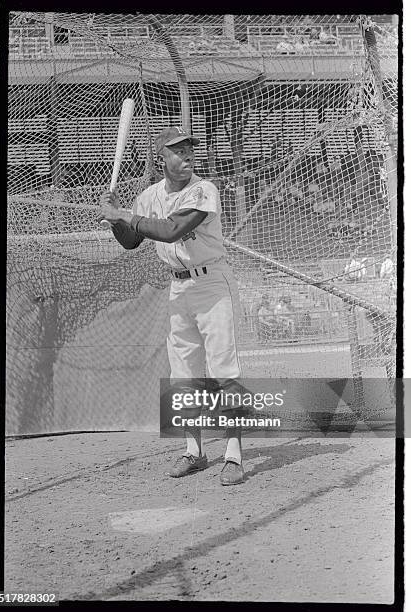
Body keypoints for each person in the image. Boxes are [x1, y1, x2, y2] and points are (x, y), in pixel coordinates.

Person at [99, 126, 245, 486]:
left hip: (213, 285)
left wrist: (123, 215)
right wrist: (114, 218)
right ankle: (194, 452)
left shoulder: (203, 189)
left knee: (224, 370)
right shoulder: (149, 196)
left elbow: (171, 231)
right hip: (178, 288)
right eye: (177, 152)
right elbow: (131, 241)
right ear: (160, 159)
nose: (186, 157)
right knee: (183, 375)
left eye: (189, 150)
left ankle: (235, 456)